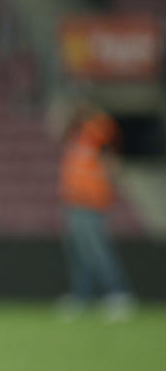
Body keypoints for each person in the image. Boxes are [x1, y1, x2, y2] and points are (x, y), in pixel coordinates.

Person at [55, 101, 136, 320]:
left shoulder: (97, 133)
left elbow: (109, 135)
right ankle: (82, 296)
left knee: (96, 250)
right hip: (74, 201)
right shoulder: (76, 137)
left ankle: (118, 293)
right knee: (77, 252)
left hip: (91, 203)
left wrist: (92, 113)